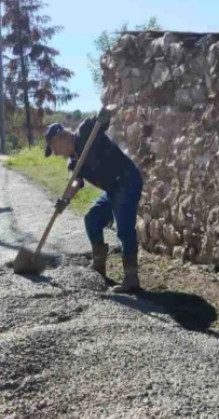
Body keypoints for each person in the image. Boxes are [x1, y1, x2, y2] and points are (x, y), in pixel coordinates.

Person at [44, 107, 144, 293]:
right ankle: (99, 268)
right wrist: (65, 200)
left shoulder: (85, 130)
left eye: (53, 148)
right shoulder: (73, 162)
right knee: (92, 218)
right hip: (112, 188)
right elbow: (75, 182)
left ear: (59, 138)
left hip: (127, 179)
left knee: (123, 228)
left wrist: (104, 115)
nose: (56, 153)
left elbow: (104, 117)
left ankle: (131, 278)